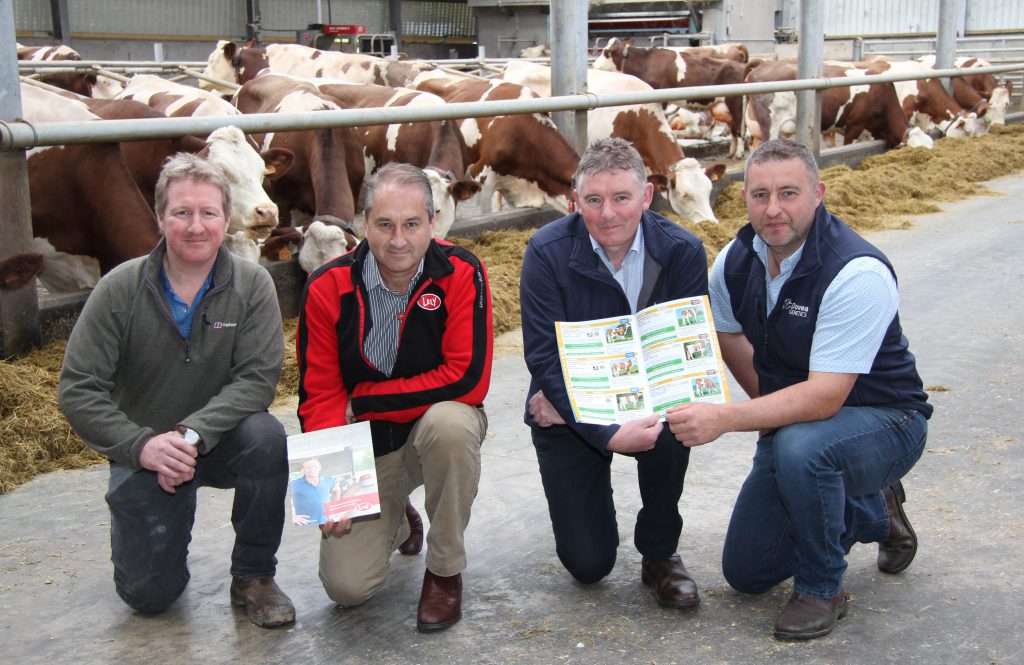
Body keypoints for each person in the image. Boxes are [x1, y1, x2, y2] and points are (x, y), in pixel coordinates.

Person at [666, 138, 932, 640]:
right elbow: (726, 333)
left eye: (788, 193)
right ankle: (872, 506)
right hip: (803, 428)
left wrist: (729, 417)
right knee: (748, 572)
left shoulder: (856, 271)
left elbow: (825, 398)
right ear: (741, 197)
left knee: (803, 447)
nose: (772, 210)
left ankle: (821, 587)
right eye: (759, 194)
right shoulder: (733, 260)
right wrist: (769, 409)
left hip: (885, 419)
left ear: (818, 194)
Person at [58, 153, 294, 628]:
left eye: (208, 213)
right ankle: (156, 529)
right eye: (181, 212)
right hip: (145, 450)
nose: (195, 226)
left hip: (221, 439)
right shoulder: (119, 289)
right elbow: (78, 388)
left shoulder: (252, 285)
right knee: (150, 596)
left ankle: (253, 575)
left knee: (266, 436)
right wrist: (141, 446)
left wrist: (190, 436)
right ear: (160, 217)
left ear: (227, 220)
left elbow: (256, 379)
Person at [297, 162, 492, 632]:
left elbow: (467, 382)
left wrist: (362, 402)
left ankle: (445, 571)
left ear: (432, 222)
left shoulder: (462, 271)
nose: (398, 239)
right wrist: (329, 492)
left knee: (452, 422)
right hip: (367, 448)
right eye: (384, 224)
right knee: (347, 589)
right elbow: (320, 396)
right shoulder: (326, 285)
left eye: (411, 224)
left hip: (433, 432)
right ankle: (398, 515)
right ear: (365, 224)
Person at [520, 138, 709, 608]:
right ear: (574, 202)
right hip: (572, 404)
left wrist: (634, 411)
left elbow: (682, 353)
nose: (608, 214)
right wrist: (606, 432)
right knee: (589, 566)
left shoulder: (682, 251)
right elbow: (544, 356)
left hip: (637, 396)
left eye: (622, 198)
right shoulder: (546, 251)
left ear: (646, 197)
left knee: (676, 422)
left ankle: (660, 553)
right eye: (594, 200)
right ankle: (593, 505)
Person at [291, 458, 340, 526]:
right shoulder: (294, 484)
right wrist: (291, 517)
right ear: (302, 470)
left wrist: (334, 506)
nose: (312, 469)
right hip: (306, 526)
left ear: (320, 467)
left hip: (326, 522)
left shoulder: (328, 479)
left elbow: (337, 490)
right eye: (308, 467)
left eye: (314, 466)